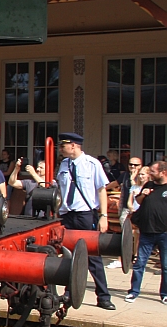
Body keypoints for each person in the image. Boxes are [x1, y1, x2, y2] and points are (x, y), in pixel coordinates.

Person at [56, 132, 115, 310]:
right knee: (68, 254)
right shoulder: (64, 164)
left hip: (84, 214)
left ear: (73, 145)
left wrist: (103, 216)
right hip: (67, 214)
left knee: (92, 256)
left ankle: (103, 296)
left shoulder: (92, 164)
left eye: (63, 145)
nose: (60, 148)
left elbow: (101, 190)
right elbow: (61, 187)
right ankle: (69, 292)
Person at [124, 160, 167, 304]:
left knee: (166, 266)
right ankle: (134, 291)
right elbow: (139, 201)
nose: (150, 174)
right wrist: (144, 194)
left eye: (153, 172)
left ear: (163, 172)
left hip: (164, 233)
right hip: (147, 231)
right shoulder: (149, 185)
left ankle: (165, 293)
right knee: (140, 263)